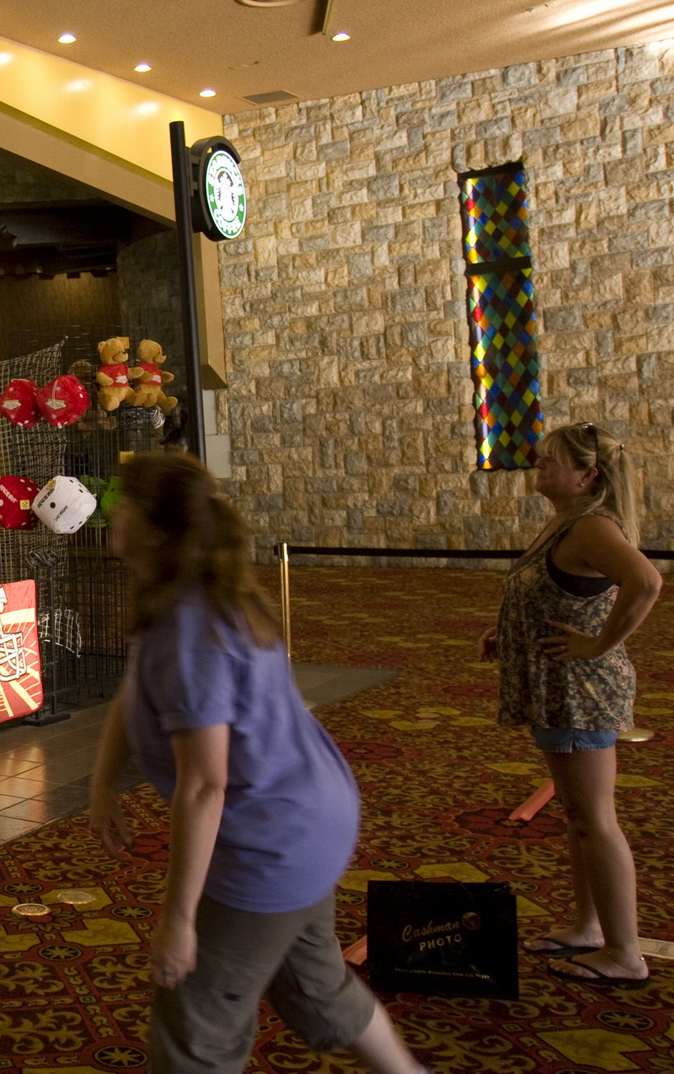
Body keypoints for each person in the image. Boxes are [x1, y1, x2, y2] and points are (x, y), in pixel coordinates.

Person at [89, 452, 425, 1074]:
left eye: (122, 503)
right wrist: (102, 784)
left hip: (271, 841)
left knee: (193, 1027)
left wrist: (179, 921)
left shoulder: (189, 632)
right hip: (307, 819)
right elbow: (133, 692)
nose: (112, 513)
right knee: (316, 989)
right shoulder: (179, 596)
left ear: (156, 529)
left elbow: (204, 787)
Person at [479, 422, 661, 986]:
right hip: (557, 691)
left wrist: (599, 644)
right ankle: (589, 927)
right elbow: (557, 593)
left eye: (550, 460)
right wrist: (508, 630)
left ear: (587, 476)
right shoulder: (566, 521)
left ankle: (625, 953)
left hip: (580, 694)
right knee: (579, 817)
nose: (538, 465)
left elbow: (646, 582)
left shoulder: (591, 527)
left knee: (595, 819)